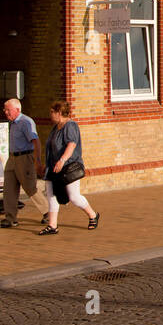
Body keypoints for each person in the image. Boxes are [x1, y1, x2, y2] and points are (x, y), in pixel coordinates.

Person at [40, 100, 99, 235]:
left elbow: (71, 144)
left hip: (67, 167)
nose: (50, 115)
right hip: (53, 168)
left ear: (59, 113)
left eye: (52, 112)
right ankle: (52, 225)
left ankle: (93, 215)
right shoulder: (56, 128)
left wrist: (62, 160)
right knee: (51, 196)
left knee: (74, 196)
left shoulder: (70, 126)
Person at [0, 98, 48, 228]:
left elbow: (36, 142)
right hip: (12, 158)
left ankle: (48, 213)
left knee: (30, 187)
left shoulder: (26, 122)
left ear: (18, 110)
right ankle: (10, 218)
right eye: (5, 110)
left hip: (25, 158)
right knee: (9, 189)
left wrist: (37, 161)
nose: (6, 112)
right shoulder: (12, 123)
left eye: (8, 110)